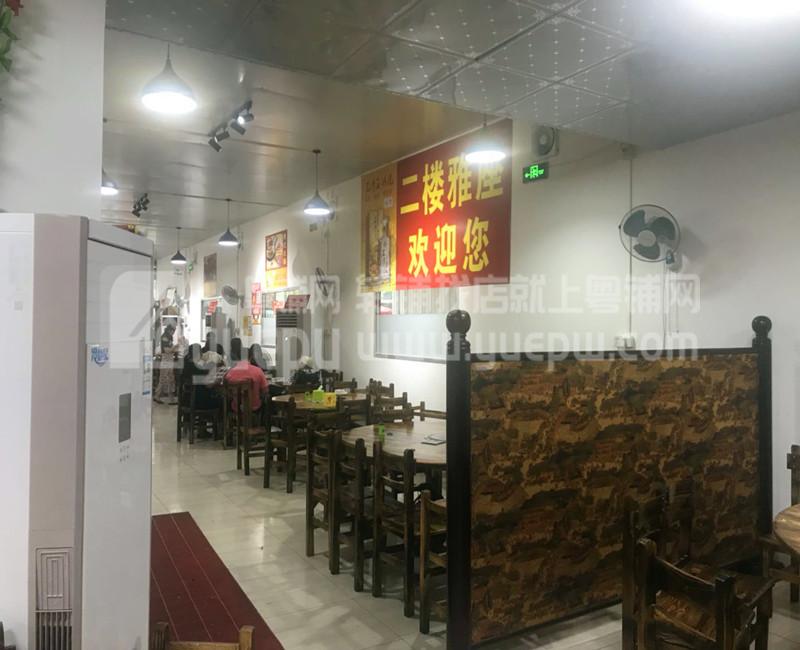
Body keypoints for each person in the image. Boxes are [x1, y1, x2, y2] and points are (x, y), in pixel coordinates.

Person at [225, 344, 269, 414]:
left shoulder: (230, 372)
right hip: (254, 407)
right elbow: (265, 390)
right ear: (250, 357)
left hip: (236, 407)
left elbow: (228, 392)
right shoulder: (258, 371)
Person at [182, 343, 221, 411]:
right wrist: (217, 380)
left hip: (186, 400)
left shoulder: (187, 364)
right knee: (222, 401)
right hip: (199, 402)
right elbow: (208, 385)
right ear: (199, 354)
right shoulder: (197, 368)